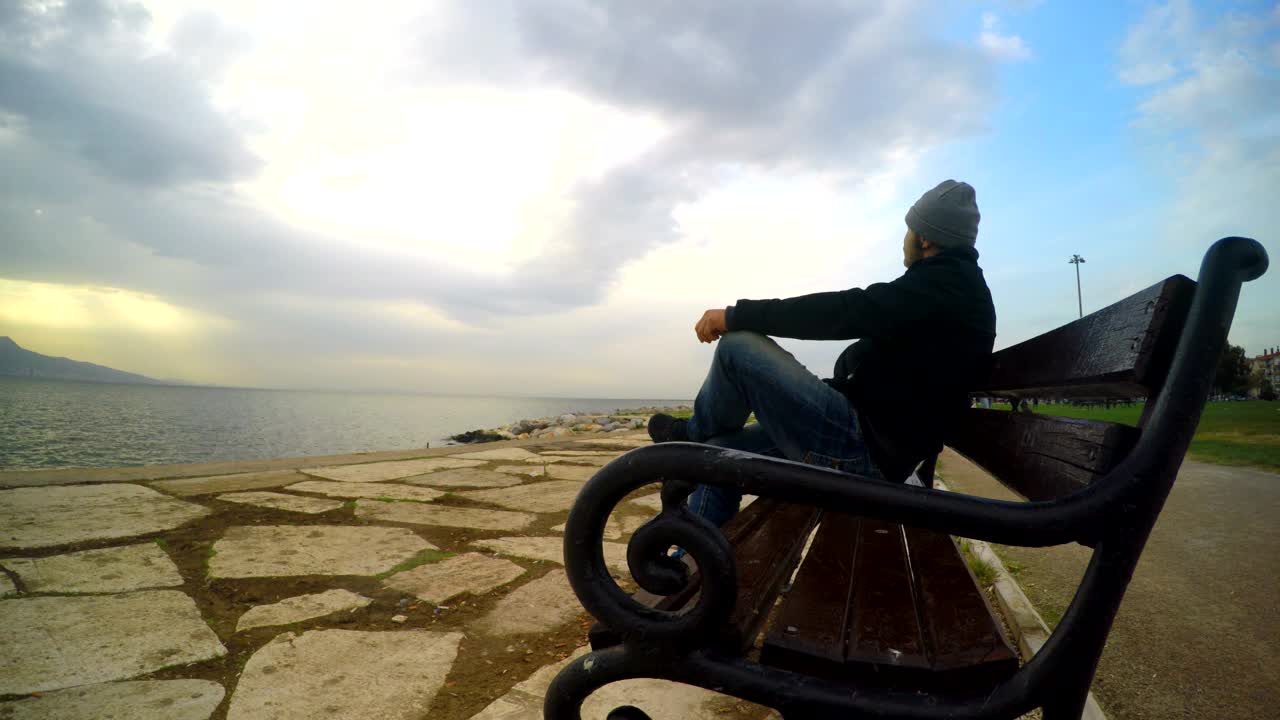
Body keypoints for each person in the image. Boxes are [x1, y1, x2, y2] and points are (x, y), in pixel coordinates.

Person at [647, 180, 996, 528]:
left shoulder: (943, 288)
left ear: (925, 237)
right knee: (717, 454)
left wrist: (735, 315)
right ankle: (692, 564)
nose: (903, 238)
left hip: (861, 452)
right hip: (875, 447)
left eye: (909, 228)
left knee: (737, 347)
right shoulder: (952, 290)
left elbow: (842, 311)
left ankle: (690, 435)